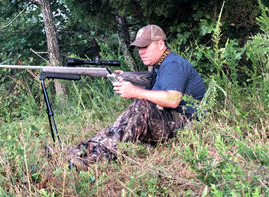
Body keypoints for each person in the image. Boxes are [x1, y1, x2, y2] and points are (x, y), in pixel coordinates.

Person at [65, 24, 206, 170]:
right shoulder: (161, 64)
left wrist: (135, 92)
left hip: (188, 128)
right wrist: (126, 77)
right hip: (172, 121)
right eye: (139, 48)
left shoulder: (173, 63)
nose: (141, 52)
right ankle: (82, 151)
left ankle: (95, 160)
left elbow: (172, 99)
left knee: (140, 107)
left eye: (145, 46)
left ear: (161, 44)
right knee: (121, 125)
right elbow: (152, 85)